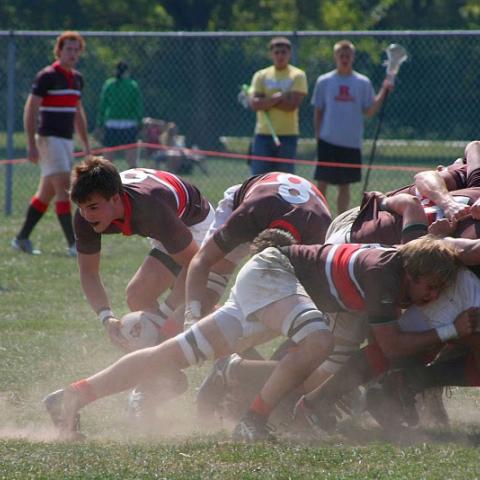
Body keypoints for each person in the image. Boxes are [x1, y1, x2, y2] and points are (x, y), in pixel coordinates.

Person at [43, 231, 468, 442]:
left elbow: (452, 247)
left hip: (270, 285)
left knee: (169, 355)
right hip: (274, 275)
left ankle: (73, 396)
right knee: (317, 342)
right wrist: (450, 329)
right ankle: (254, 421)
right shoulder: (385, 275)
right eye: (429, 288)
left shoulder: (399, 262)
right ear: (412, 273)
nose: (428, 299)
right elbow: (391, 348)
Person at [70, 156, 213, 351]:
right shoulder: (85, 217)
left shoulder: (151, 209)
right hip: (165, 221)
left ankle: (229, 356)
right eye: (81, 207)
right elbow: (88, 273)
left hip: (196, 222)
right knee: (140, 297)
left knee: (192, 307)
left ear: (115, 198)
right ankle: (164, 364)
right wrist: (107, 318)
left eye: (93, 207)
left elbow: (196, 265)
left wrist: (164, 315)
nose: (87, 215)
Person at [185, 171, 332, 325]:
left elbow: (320, 305)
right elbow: (201, 260)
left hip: (276, 206)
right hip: (250, 203)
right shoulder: (247, 217)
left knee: (287, 307)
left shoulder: (318, 239)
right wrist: (191, 316)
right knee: (206, 294)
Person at [12, 31, 90, 256]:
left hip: (65, 141)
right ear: (59, 51)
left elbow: (78, 112)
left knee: (45, 194)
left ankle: (21, 238)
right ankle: (74, 245)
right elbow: (31, 109)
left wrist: (85, 143)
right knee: (65, 189)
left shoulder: (77, 79)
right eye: (68, 49)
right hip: (48, 139)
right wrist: (31, 143)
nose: (73, 53)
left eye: (76, 50)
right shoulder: (47, 76)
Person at [311, 39, 393, 215]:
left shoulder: (362, 82)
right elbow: (318, 111)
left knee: (344, 184)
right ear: (335, 56)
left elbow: (369, 110)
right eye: (341, 55)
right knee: (322, 182)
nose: (344, 58)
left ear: (353, 57)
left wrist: (384, 91)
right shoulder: (324, 81)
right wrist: (318, 136)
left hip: (351, 141)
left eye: (348, 55)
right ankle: (320, 216)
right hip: (327, 139)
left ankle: (341, 219)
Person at [249, 37, 308, 175]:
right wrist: (280, 97)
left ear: (289, 54)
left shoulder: (298, 75)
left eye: (283, 52)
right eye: (277, 52)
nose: (280, 56)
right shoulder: (261, 75)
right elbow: (255, 104)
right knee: (258, 178)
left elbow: (292, 105)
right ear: (271, 54)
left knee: (284, 180)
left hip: (288, 135)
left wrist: (266, 101)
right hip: (263, 135)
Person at [97, 61, 143, 168]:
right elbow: (138, 106)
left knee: (107, 161)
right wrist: (139, 122)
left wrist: (100, 122)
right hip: (129, 125)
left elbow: (103, 105)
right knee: (132, 161)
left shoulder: (109, 84)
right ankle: (134, 181)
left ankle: (106, 181)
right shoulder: (132, 85)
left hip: (111, 124)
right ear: (127, 71)